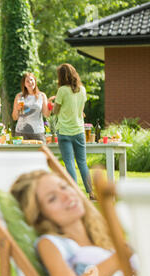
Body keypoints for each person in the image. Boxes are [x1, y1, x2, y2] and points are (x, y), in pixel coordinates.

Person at [10, 170, 136, 276]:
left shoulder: (99, 237)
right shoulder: (51, 243)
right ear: (40, 215)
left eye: (64, 187)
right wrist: (119, 257)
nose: (66, 195)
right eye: (52, 198)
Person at [48, 63, 95, 200]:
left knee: (69, 163)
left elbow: (55, 111)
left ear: (61, 77)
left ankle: (75, 193)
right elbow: (81, 111)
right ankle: (91, 193)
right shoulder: (82, 90)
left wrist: (52, 105)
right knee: (82, 162)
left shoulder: (62, 90)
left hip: (64, 132)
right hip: (79, 131)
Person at [12, 72, 50, 142]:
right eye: (27, 81)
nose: (30, 82)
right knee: (21, 153)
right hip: (21, 133)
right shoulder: (19, 96)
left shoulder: (42, 96)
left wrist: (50, 107)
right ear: (24, 84)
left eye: (31, 80)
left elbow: (46, 114)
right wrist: (17, 109)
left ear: (35, 81)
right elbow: (14, 117)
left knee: (40, 153)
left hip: (38, 132)